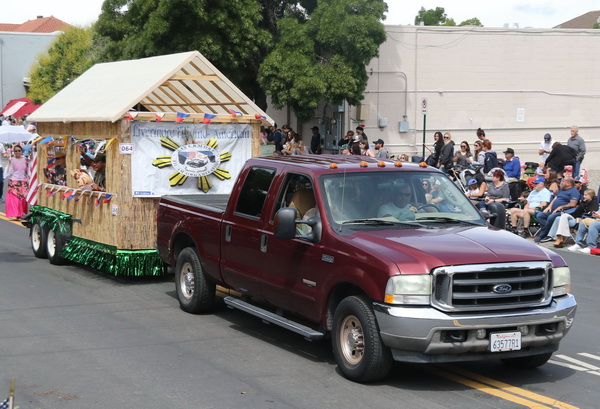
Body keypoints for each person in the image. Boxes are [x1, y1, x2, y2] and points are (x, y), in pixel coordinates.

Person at [534, 178, 580, 243]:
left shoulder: (574, 191)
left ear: (568, 183)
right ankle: (548, 232)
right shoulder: (562, 190)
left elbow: (573, 204)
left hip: (564, 212)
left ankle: (542, 235)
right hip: (554, 210)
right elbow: (555, 198)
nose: (561, 182)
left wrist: (560, 207)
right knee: (540, 215)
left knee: (551, 217)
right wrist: (549, 207)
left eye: (563, 181)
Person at [4, 145, 29, 220]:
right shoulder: (11, 159)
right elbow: (9, 171)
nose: (17, 152)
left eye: (19, 150)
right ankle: (17, 214)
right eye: (15, 151)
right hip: (13, 180)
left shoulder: (26, 160)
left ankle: (20, 214)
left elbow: (28, 170)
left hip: (23, 181)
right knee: (15, 198)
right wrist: (9, 163)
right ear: (13, 152)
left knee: (22, 198)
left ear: (21, 151)